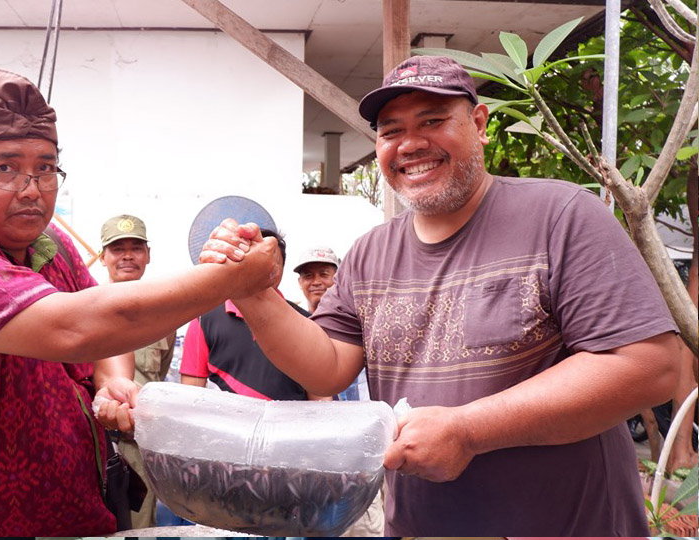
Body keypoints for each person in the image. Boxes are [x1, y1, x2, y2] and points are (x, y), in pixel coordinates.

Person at [204, 56, 680, 535]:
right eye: (391, 131)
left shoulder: (561, 215)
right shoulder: (371, 252)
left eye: (432, 121)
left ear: (478, 124)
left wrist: (470, 431)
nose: (410, 144)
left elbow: (649, 365)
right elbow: (325, 365)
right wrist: (254, 293)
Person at [0, 67, 278, 536]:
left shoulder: (50, 245)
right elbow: (78, 327)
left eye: (45, 168)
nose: (31, 189)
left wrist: (112, 381)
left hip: (70, 516)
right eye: (5, 169)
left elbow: (105, 329)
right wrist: (232, 277)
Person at [180, 229, 327, 401]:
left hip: (291, 427)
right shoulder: (203, 319)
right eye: (251, 260)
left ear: (281, 268)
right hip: (226, 426)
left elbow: (321, 400)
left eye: (269, 262)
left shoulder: (307, 324)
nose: (259, 270)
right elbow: (190, 397)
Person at [97, 213, 176, 528]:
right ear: (103, 257)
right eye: (117, 248)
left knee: (138, 530)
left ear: (148, 255)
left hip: (139, 449)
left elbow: (158, 379)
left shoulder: (163, 317)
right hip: (95, 447)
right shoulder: (84, 309)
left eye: (136, 247)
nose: (127, 256)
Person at [294, 245, 340, 314]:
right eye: (308, 276)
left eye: (324, 274)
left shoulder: (353, 319)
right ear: (300, 282)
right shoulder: (290, 318)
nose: (316, 282)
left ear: (338, 279)